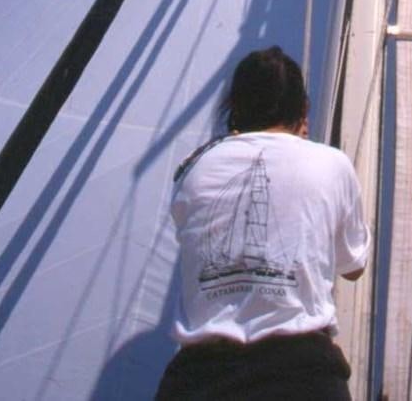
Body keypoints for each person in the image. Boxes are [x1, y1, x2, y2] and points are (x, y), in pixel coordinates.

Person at [156, 46, 370, 400]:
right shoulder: (332, 165)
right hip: (303, 376)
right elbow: (353, 267)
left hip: (200, 379)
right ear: (303, 110)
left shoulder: (193, 169)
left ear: (235, 108)